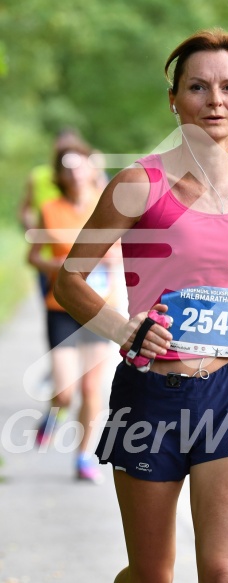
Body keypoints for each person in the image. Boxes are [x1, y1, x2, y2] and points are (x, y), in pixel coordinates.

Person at [54, 28, 228, 582]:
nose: (215, 100)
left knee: (225, 574)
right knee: (152, 575)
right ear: (174, 99)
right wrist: (125, 332)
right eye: (198, 86)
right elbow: (69, 281)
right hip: (152, 394)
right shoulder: (136, 184)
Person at [28, 141, 117, 483]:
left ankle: (83, 458)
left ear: (92, 170)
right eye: (68, 168)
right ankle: (54, 412)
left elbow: (122, 251)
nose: (76, 173)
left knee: (93, 389)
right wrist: (61, 266)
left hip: (98, 308)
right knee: (66, 391)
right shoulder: (50, 209)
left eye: (81, 166)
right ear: (60, 176)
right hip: (61, 306)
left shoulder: (106, 205)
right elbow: (33, 256)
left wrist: (112, 259)